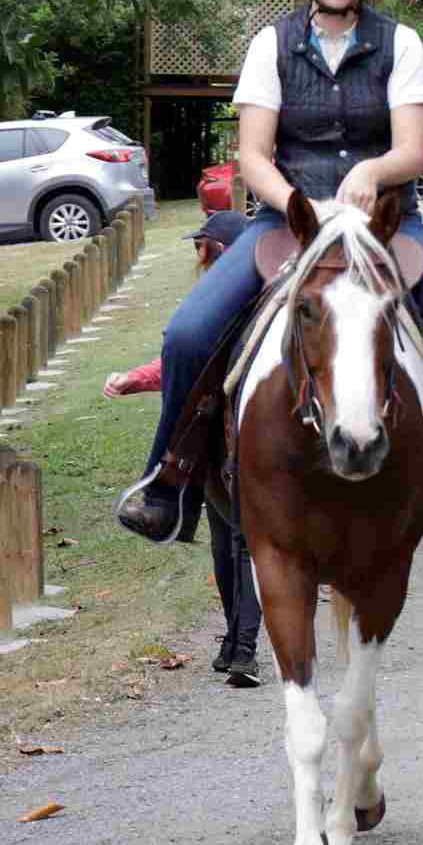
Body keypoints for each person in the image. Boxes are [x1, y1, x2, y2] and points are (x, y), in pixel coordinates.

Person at [114, 0, 423, 565]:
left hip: (385, 227)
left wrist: (372, 170)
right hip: (287, 223)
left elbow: (412, 153)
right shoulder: (269, 45)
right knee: (188, 332)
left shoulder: (402, 44)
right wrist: (295, 205)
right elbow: (252, 154)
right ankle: (170, 481)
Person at [105, 209, 264, 686]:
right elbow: (181, 362)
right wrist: (135, 379)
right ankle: (233, 640)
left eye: (200, 246)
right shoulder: (211, 303)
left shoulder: (239, 302)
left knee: (241, 539)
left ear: (216, 250)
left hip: (247, 438)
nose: (197, 256)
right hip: (212, 436)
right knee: (224, 541)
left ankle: (246, 649)